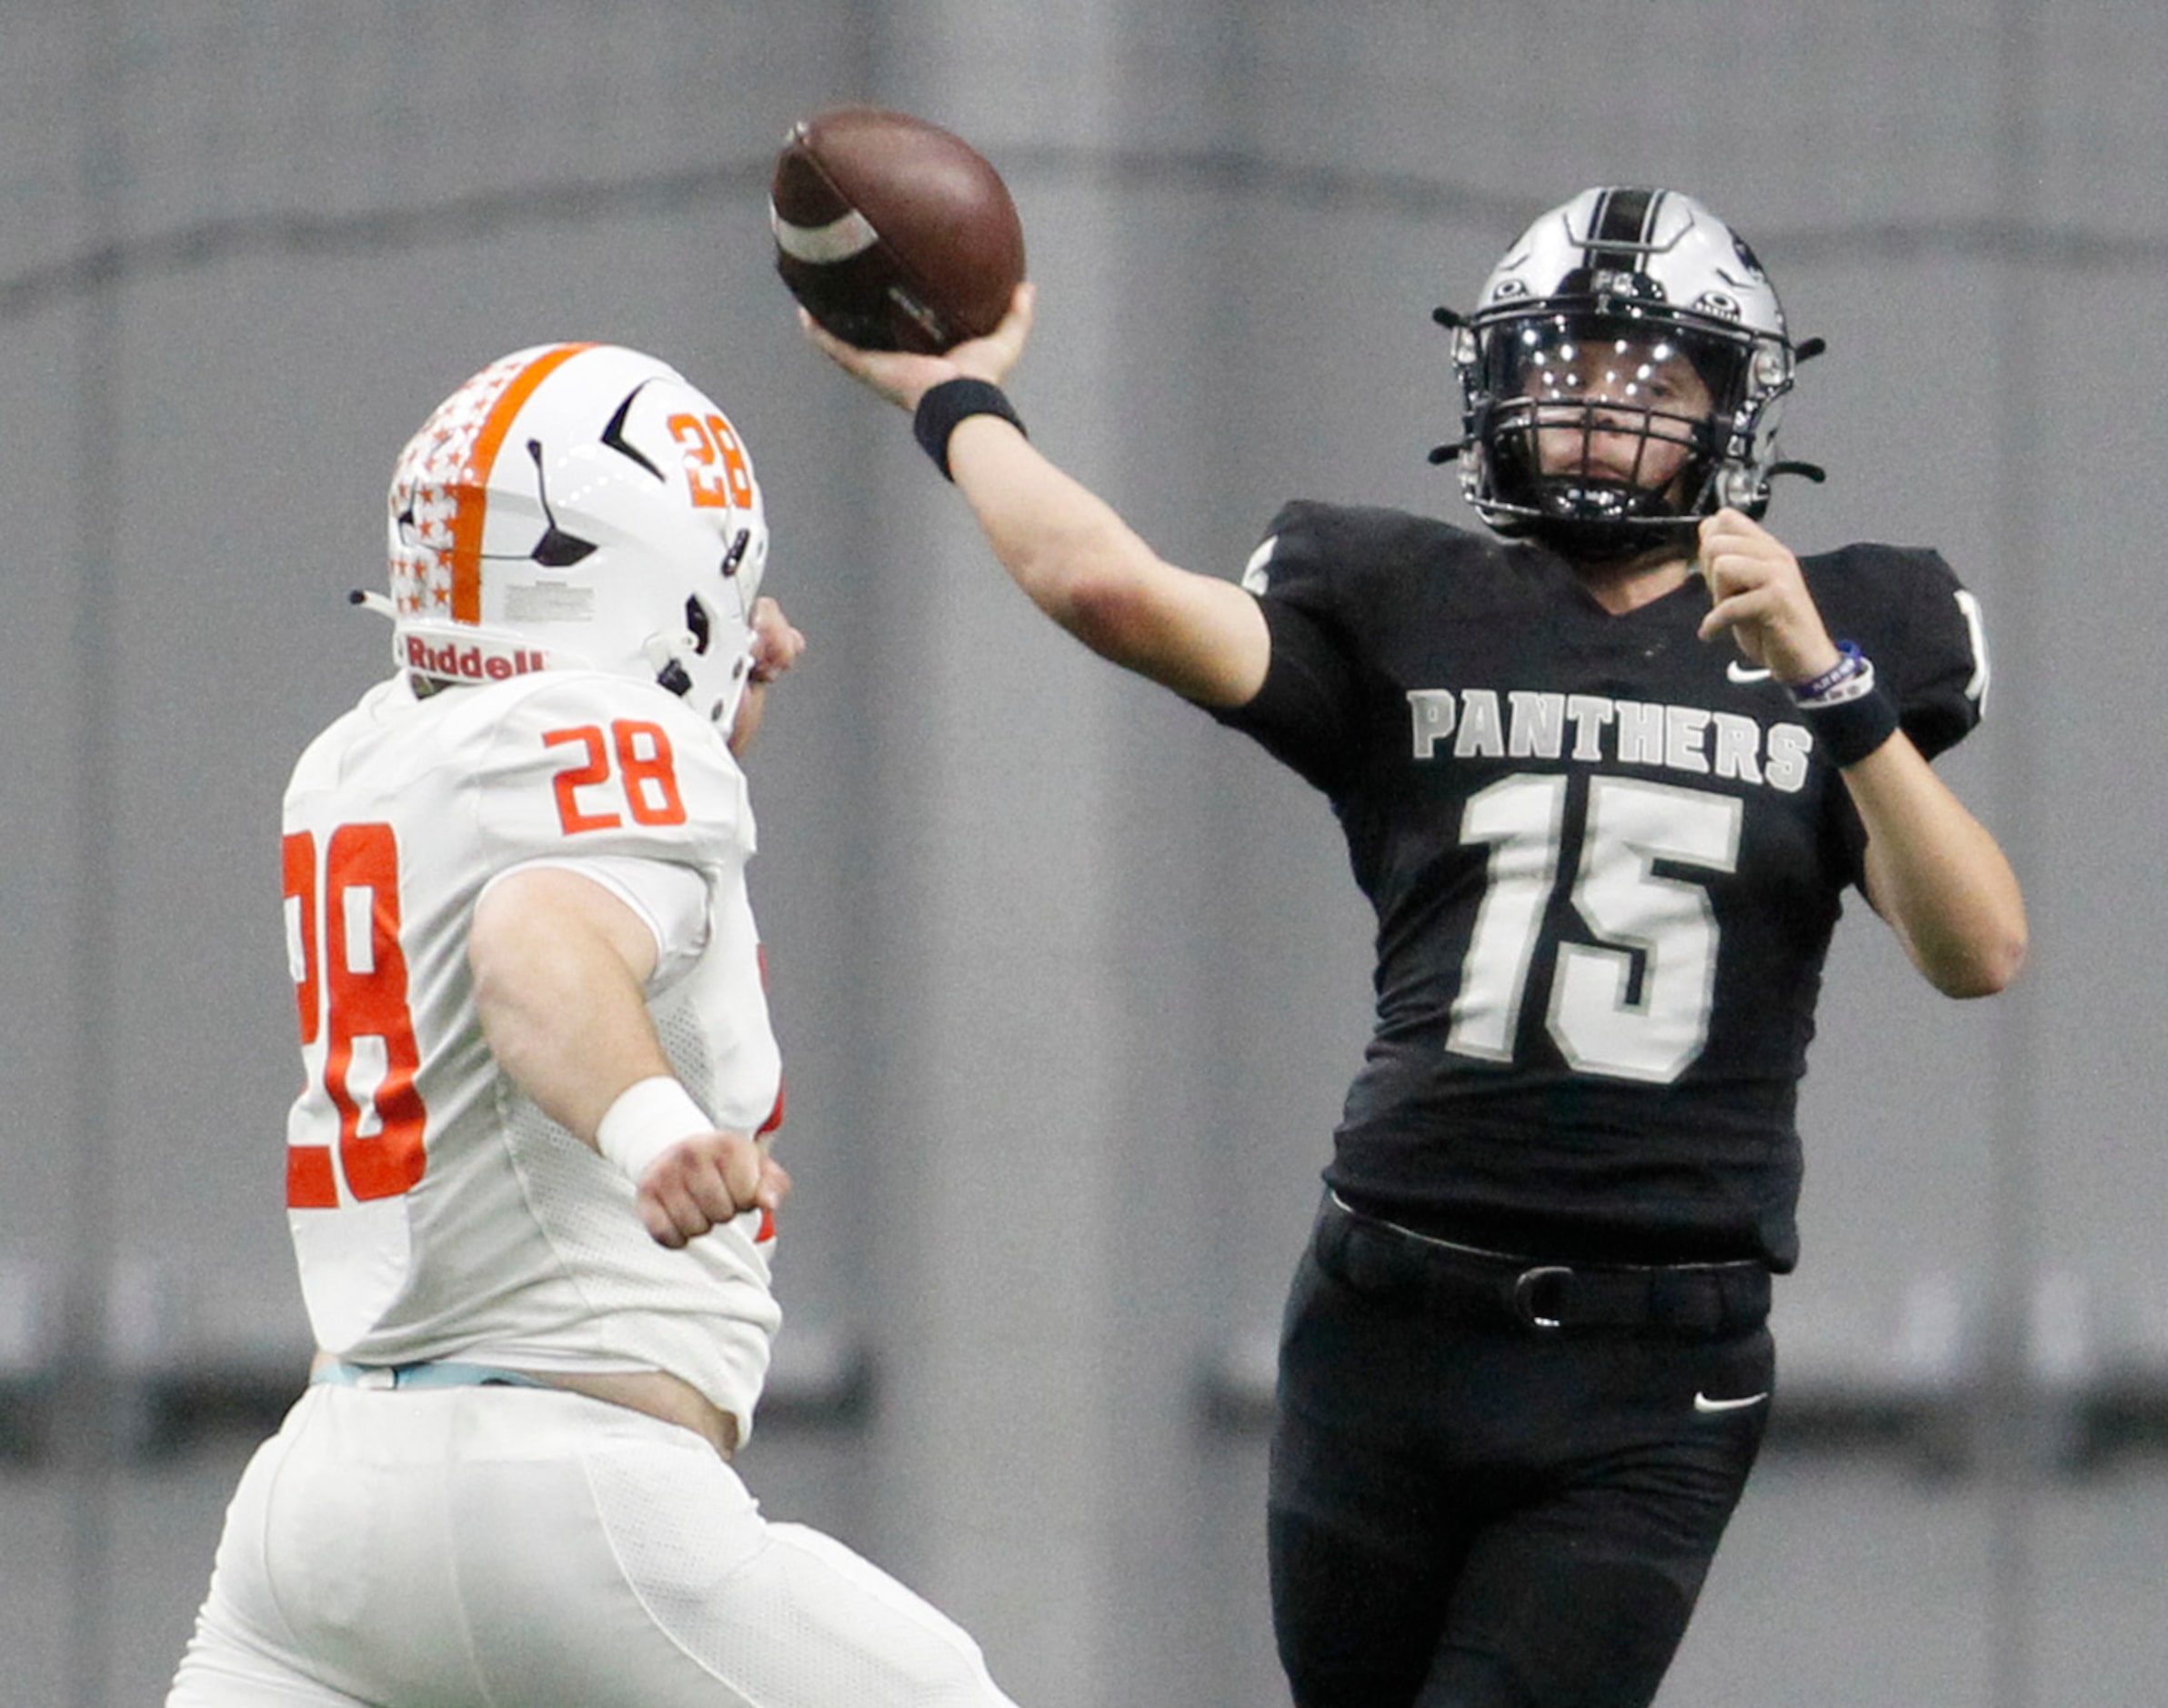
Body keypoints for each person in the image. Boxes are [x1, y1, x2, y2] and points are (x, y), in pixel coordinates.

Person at [802, 186, 2027, 1708]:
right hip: (1384, 1322)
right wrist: (954, 393)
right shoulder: (1401, 598)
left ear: (1739, 410)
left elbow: (1977, 947)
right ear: (1492, 386)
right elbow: (1106, 587)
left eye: (1652, 379)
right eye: (1565, 366)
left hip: (1649, 1368)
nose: (1596, 410)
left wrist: (1833, 687)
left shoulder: (1843, 624)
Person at [168, 341, 1020, 1707]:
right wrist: (654, 1123)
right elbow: (533, 943)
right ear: (667, 577)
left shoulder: (358, 754)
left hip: (316, 1526)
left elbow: (560, 819)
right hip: (573, 1503)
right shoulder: (626, 757)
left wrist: (707, 684)